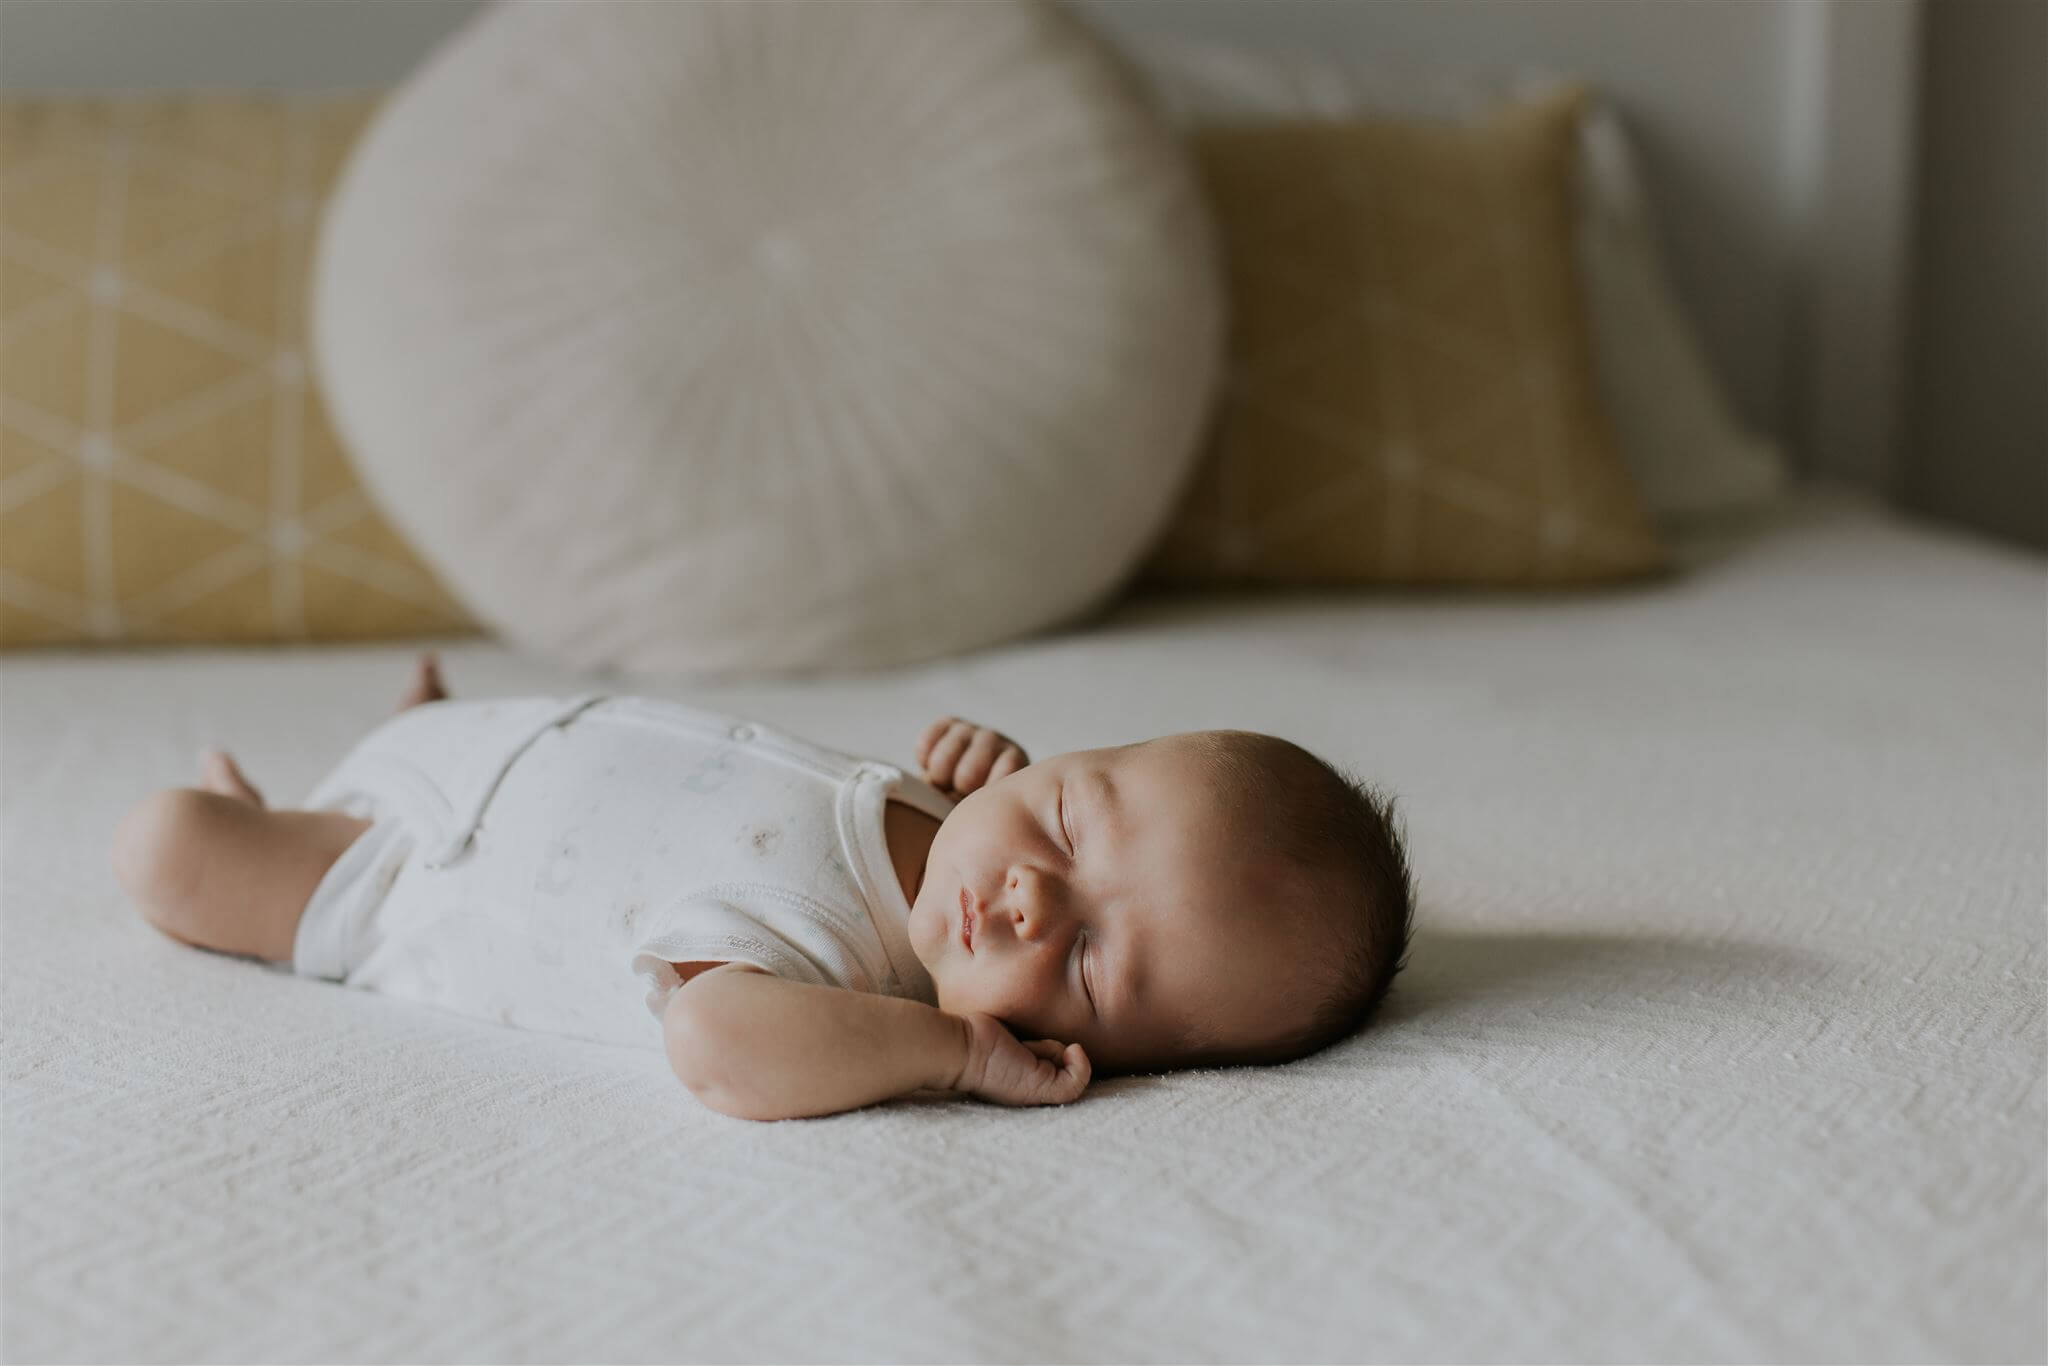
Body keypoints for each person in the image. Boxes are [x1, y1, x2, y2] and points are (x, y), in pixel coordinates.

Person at [113, 654, 1414, 1121]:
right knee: (470, 720)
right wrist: (975, 786)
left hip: (400, 872)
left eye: (1082, 963)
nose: (1026, 892)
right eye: (1072, 812)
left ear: (1086, 1051)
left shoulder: (846, 986)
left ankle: (246, 816)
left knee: (169, 845)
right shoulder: (967, 829)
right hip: (526, 743)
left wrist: (950, 1053)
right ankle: (419, 722)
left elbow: (710, 1040)